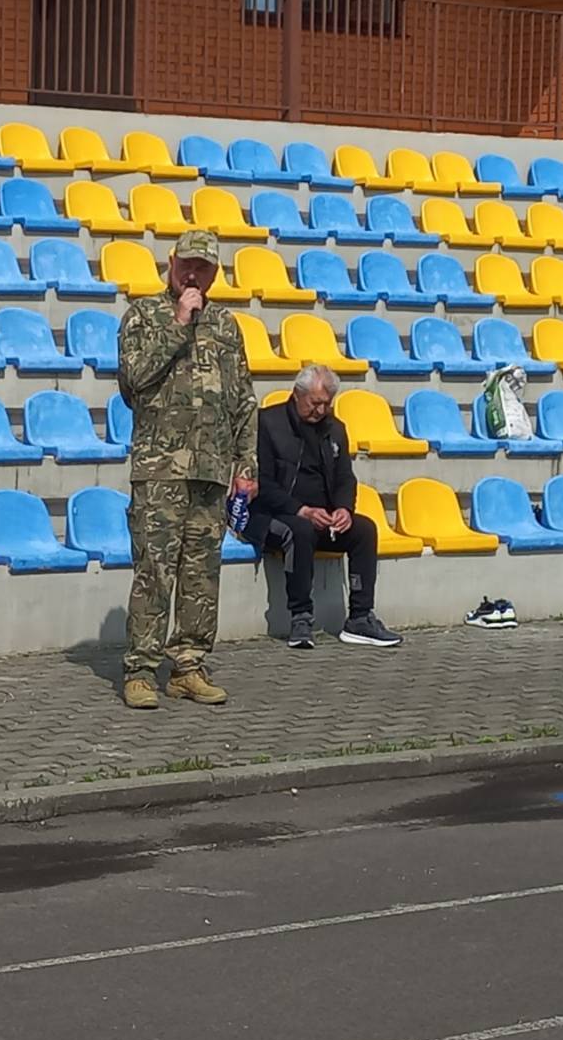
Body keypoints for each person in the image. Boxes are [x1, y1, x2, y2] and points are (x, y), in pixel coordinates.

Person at [119, 229, 257, 709]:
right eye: (187, 265)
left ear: (215, 273)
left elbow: (243, 399)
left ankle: (189, 666)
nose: (194, 275)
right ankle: (140, 670)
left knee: (201, 575)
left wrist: (247, 465)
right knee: (154, 572)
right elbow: (134, 381)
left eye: (204, 268)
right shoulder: (143, 316)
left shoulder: (226, 325)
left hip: (211, 470)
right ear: (172, 263)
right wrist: (179, 322)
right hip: (160, 469)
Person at [243, 365, 402, 649]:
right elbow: (262, 483)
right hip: (271, 515)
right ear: (297, 395)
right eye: (315, 403)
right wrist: (300, 509)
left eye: (327, 403)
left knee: (364, 529)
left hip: (321, 516)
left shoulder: (335, 428)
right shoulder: (267, 423)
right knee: (300, 530)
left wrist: (344, 509)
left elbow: (345, 478)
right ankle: (301, 617)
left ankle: (360, 618)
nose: (321, 410)